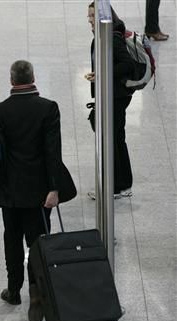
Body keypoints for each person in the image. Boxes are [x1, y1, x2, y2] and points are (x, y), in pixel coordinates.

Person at [0, 60, 68, 321]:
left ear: (11, 80)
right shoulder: (48, 109)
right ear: (33, 77)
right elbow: (53, 152)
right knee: (37, 242)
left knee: (12, 239)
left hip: (9, 191)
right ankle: (37, 294)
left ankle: (13, 290)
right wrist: (53, 188)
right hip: (39, 193)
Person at [85, 2, 135, 200]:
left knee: (110, 140)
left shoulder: (111, 38)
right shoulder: (106, 35)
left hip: (115, 97)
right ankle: (123, 183)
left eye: (91, 16)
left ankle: (113, 187)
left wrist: (102, 74)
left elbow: (127, 65)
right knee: (116, 138)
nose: (88, 20)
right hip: (113, 95)